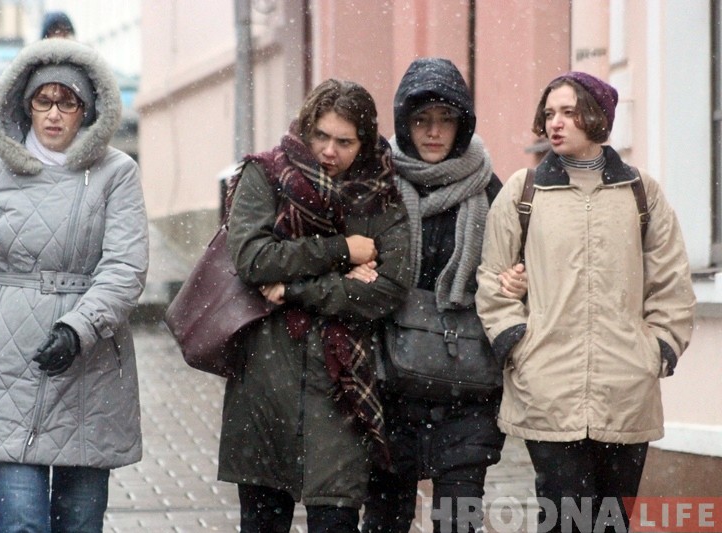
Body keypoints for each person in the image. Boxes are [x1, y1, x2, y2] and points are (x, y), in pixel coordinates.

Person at [0, 37, 148, 533]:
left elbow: (126, 268)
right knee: (21, 521)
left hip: (90, 370)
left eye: (67, 102)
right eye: (42, 101)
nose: (53, 114)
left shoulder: (117, 173)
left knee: (79, 522)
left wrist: (78, 329)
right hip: (7, 365)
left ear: (87, 110)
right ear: (24, 104)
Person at [475, 72, 695, 532]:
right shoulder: (524, 191)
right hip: (547, 387)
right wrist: (518, 344)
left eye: (569, 112)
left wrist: (658, 349)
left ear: (596, 118)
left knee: (612, 522)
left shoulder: (640, 192)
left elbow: (671, 283)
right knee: (565, 521)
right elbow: (493, 278)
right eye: (549, 113)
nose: (555, 123)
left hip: (626, 387)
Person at [219, 79, 412, 532]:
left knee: (335, 517)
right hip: (266, 381)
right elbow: (253, 259)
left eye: (345, 142)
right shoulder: (266, 174)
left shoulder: (379, 192)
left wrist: (295, 290)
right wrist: (342, 251)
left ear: (364, 143)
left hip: (342, 388)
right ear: (306, 128)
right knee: (262, 519)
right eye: (321, 136)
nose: (329, 151)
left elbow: (389, 287)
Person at [361, 57, 526, 533]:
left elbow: (517, 264)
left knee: (459, 520)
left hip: (466, 388)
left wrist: (517, 280)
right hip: (390, 384)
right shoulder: (378, 185)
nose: (434, 131)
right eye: (421, 120)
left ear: (463, 125)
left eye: (446, 119)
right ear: (404, 124)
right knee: (385, 519)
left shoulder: (491, 190)